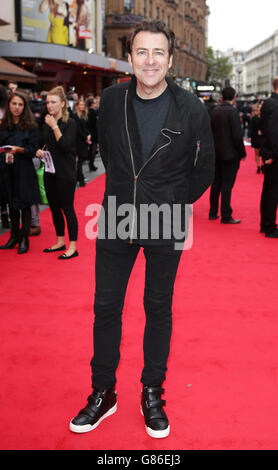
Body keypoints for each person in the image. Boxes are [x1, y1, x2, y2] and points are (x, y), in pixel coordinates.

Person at [70, 20, 215, 438]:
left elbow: (203, 169)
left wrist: (170, 201)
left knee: (158, 309)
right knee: (105, 307)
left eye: (158, 53)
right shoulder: (112, 99)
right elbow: (110, 152)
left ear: (170, 60)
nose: (149, 61)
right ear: (129, 58)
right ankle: (103, 392)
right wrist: (124, 192)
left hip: (166, 217)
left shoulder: (191, 107)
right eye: (141, 52)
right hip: (117, 216)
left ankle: (152, 391)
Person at [36, 85, 79, 259]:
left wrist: (54, 126)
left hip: (66, 173)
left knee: (67, 208)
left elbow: (65, 146)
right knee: (54, 209)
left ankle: (73, 246)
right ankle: (60, 240)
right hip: (50, 171)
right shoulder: (47, 121)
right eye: (47, 102)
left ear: (62, 103)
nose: (50, 105)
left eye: (53, 102)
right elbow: (45, 143)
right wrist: (40, 151)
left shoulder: (70, 123)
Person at [0, 91, 40, 254]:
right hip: (6, 169)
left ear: (25, 107)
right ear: (9, 105)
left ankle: (24, 238)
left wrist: (19, 149)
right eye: (14, 104)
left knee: (24, 205)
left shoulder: (31, 126)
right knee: (11, 205)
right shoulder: (3, 125)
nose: (17, 107)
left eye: (20, 104)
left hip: (24, 170)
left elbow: (33, 150)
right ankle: (14, 237)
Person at [209, 86, 246, 224]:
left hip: (216, 152)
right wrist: (242, 152)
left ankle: (213, 212)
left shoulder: (215, 110)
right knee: (227, 185)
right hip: (230, 154)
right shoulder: (232, 111)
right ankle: (226, 214)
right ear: (234, 97)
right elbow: (237, 135)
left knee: (216, 183)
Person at [259, 77, 278, 238]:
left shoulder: (269, 103)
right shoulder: (274, 105)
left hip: (270, 151)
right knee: (272, 191)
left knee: (269, 190)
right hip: (273, 154)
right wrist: (272, 154)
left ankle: (266, 224)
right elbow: (273, 132)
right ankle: (269, 226)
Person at [73, 98, 91, 186]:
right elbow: (78, 130)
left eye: (83, 105)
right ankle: (81, 180)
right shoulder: (74, 116)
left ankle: (78, 177)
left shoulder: (84, 115)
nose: (82, 106)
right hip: (77, 141)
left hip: (84, 140)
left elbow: (86, 127)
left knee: (82, 159)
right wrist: (86, 137)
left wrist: (88, 134)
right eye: (80, 105)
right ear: (77, 106)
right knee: (79, 161)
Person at [248, 101, 263, 174]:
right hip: (256, 137)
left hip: (263, 137)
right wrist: (249, 136)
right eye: (259, 108)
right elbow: (250, 127)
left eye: (261, 108)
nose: (260, 109)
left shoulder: (265, 118)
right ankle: (258, 166)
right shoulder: (254, 118)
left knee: (263, 152)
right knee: (256, 153)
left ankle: (263, 165)